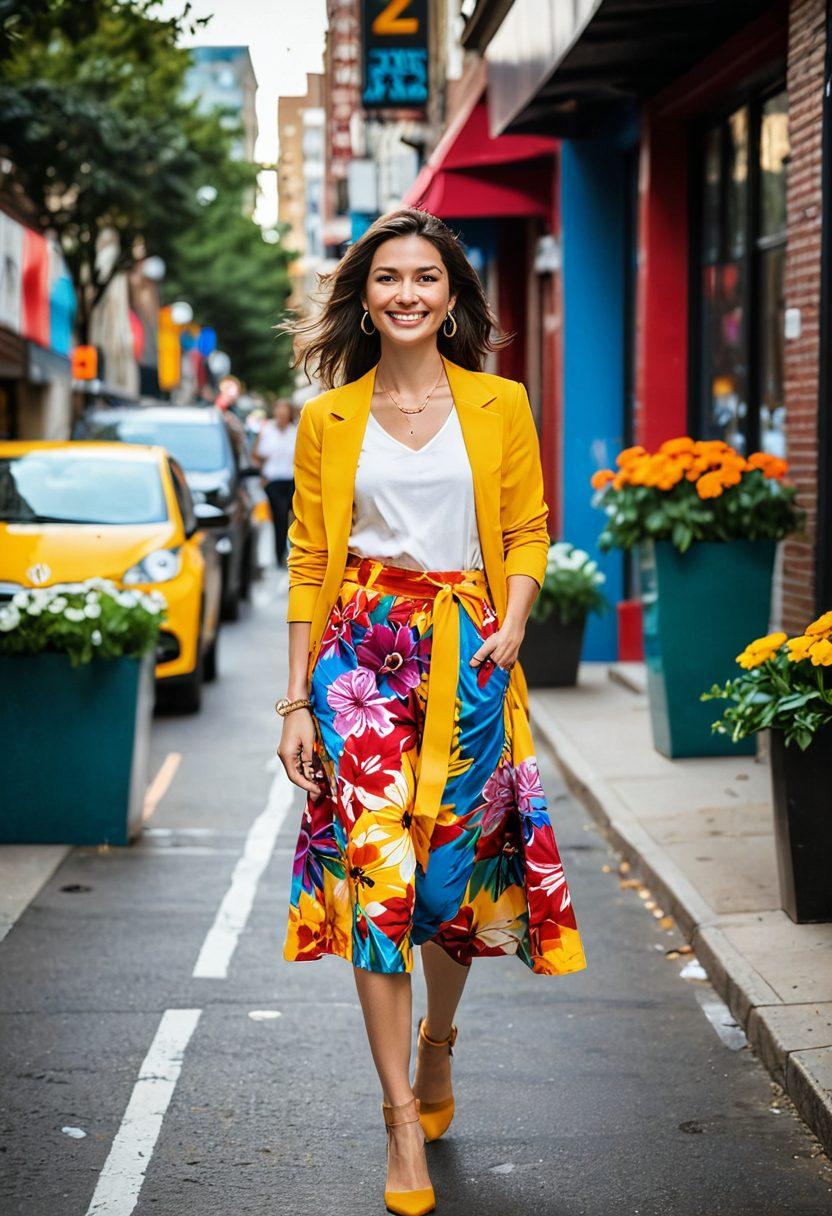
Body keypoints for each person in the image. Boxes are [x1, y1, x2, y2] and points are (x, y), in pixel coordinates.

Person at [274, 208, 587, 1216]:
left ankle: (437, 1043)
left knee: (449, 892)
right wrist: (296, 699)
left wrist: (515, 621)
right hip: (359, 664)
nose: (405, 293)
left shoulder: (499, 402)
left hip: (469, 655)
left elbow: (529, 528)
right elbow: (309, 559)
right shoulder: (329, 418)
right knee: (381, 886)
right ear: (363, 300)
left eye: (424, 278)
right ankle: (400, 1118)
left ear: (451, 297)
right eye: (386, 278)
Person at [252, 398, 297, 566]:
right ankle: (279, 555)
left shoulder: (295, 431)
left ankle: (292, 551)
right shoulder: (267, 430)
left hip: (291, 481)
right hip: (273, 481)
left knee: (293, 518)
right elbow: (256, 455)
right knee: (279, 516)